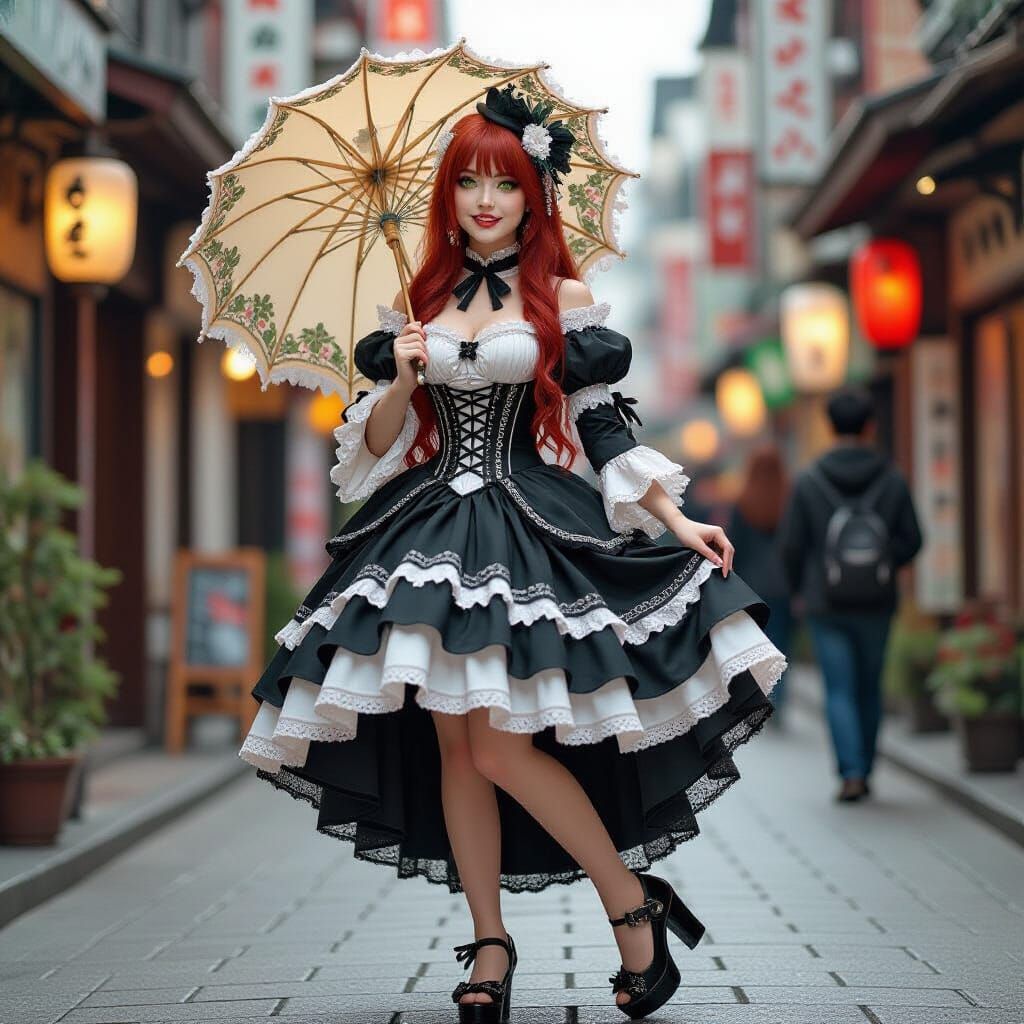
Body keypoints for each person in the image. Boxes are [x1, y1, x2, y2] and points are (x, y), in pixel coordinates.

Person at [238, 84, 786, 1022]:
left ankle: (630, 902)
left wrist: (673, 518)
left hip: (524, 520)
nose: (485, 199)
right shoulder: (411, 305)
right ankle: (490, 945)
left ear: (534, 194)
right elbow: (369, 456)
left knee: (494, 745)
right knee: (457, 740)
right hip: (426, 525)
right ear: (446, 198)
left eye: (505, 181)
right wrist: (403, 375)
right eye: (468, 183)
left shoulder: (560, 298)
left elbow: (600, 420)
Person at [778, 386, 922, 804]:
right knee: (869, 686)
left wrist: (798, 590)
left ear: (829, 426)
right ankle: (867, 766)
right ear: (870, 426)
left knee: (838, 687)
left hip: (825, 601)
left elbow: (791, 545)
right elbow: (912, 539)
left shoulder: (809, 479)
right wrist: (880, 564)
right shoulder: (891, 477)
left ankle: (851, 772)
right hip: (877, 602)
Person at [726, 443, 793, 723]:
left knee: (756, 645)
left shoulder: (743, 502)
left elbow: (734, 545)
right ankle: (779, 699)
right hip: (784, 585)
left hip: (752, 587)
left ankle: (760, 699)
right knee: (782, 645)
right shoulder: (788, 501)